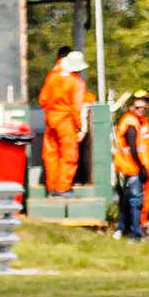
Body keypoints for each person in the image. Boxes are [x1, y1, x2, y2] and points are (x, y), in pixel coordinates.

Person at [38, 49, 89, 195]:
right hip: (66, 122)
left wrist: (51, 113)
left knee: (51, 154)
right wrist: (80, 127)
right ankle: (62, 188)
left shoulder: (53, 77)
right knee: (69, 155)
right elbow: (76, 109)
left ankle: (51, 187)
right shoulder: (77, 83)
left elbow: (43, 99)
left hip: (50, 121)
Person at [112, 91, 149, 240]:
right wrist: (141, 167)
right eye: (139, 107)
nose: (142, 110)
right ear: (132, 107)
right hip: (131, 167)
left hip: (131, 167)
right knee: (135, 202)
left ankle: (122, 229)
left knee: (128, 201)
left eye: (144, 107)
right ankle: (135, 234)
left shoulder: (138, 121)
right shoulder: (131, 123)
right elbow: (133, 147)